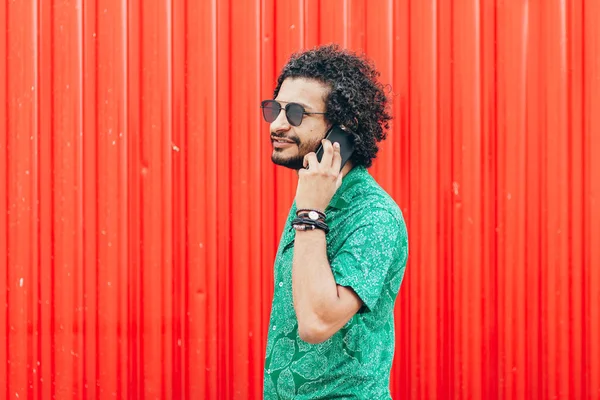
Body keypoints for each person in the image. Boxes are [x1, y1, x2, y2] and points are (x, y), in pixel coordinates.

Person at [261, 44, 409, 399]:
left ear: (342, 129)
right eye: (274, 109)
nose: (278, 124)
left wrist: (311, 215)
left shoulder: (375, 215)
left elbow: (316, 322)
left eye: (296, 113)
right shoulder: (316, 196)